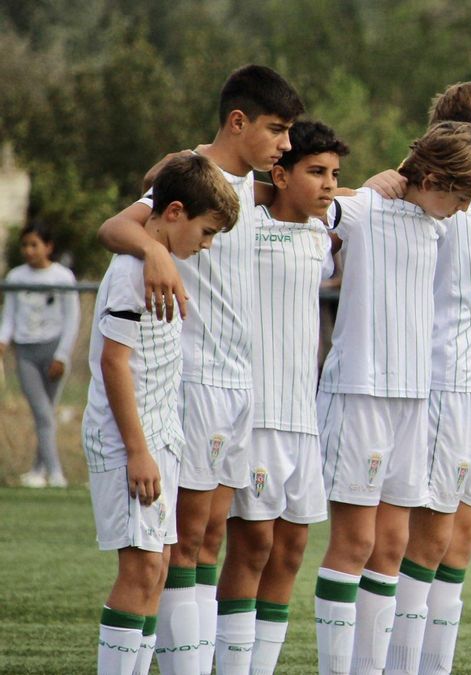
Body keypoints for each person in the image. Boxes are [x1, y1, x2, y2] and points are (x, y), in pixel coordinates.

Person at [97, 64, 305, 675]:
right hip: (194, 380)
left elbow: (316, 191)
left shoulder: (250, 185)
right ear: (237, 122)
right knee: (183, 543)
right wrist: (155, 249)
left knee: (210, 537)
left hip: (239, 382)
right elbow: (116, 225)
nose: (285, 144)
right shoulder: (192, 175)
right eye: (277, 129)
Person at [311, 120, 471, 675]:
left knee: (392, 545)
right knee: (353, 543)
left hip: (415, 400)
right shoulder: (366, 209)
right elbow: (297, 200)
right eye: (460, 197)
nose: (463, 210)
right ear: (434, 177)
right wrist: (361, 188)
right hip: (360, 392)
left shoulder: (434, 223)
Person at [355, 80, 471, 675]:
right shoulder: (420, 191)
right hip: (440, 381)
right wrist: (383, 178)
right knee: (421, 541)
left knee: (461, 538)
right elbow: (379, 193)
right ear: (469, 135)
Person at [85, 154, 238, 675]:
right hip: (130, 440)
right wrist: (138, 451)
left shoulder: (156, 260)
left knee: (158, 567)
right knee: (142, 567)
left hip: (158, 436)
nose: (207, 244)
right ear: (174, 212)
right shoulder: (133, 271)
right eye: (207, 231)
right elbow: (114, 361)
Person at [211, 120, 348, 675]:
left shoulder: (323, 236)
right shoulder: (245, 220)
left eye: (335, 174)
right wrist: (266, 187)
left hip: (303, 416)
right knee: (252, 548)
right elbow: (170, 177)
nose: (329, 184)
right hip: (257, 415)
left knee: (291, 552)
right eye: (316, 171)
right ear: (280, 172)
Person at [0, 222, 80, 488]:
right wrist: (3, 339)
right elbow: (9, 314)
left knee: (46, 414)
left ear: (48, 247)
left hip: (53, 348)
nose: (29, 250)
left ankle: (41, 471)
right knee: (42, 413)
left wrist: (62, 355)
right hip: (26, 351)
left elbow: (72, 318)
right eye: (25, 245)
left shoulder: (62, 277)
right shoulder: (16, 277)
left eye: (34, 245)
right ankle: (54, 473)